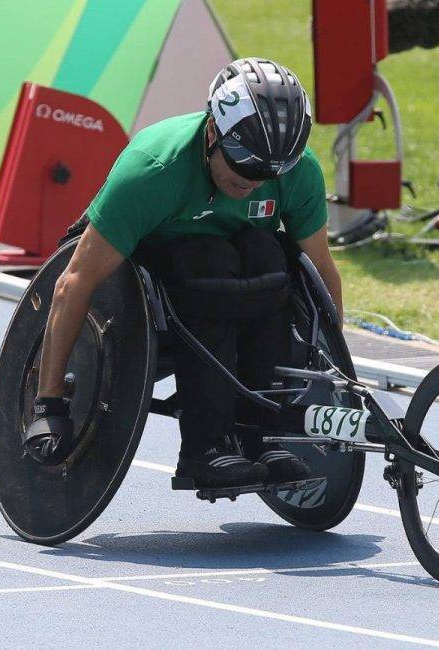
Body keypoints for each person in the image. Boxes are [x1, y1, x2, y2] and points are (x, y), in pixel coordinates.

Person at [30, 57, 344, 487]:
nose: (255, 180)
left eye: (272, 169)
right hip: (154, 264)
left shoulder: (294, 169)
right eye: (244, 163)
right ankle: (205, 450)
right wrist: (47, 404)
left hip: (238, 270)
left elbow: (322, 273)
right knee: (210, 264)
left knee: (269, 257)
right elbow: (74, 281)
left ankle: (261, 434)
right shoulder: (153, 169)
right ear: (213, 131)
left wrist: (335, 378)